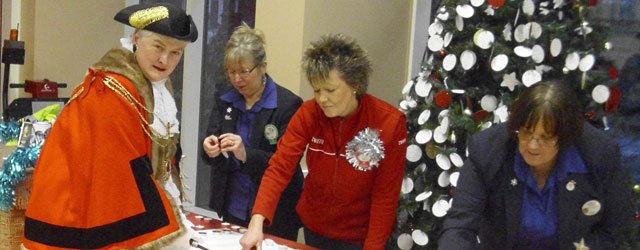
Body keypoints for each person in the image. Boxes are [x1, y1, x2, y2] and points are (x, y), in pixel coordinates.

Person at [23, 3, 198, 249]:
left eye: (176, 52)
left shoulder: (155, 86)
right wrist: (171, 231)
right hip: (79, 213)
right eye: (158, 47)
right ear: (136, 39)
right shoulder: (111, 91)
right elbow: (120, 173)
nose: (164, 60)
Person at [240, 34, 408, 250]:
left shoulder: (389, 122)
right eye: (317, 90)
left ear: (355, 84)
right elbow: (280, 168)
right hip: (315, 228)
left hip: (360, 236)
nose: (322, 99)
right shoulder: (309, 113)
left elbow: (385, 196)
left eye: (330, 90)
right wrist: (257, 221)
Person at [438, 80, 635, 249]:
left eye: (545, 137)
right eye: (525, 133)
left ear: (565, 137)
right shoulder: (487, 151)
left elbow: (617, 228)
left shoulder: (600, 155)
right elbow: (459, 226)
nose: (532, 145)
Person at [201, 23, 303, 241]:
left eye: (244, 72)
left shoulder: (288, 105)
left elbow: (285, 164)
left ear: (263, 66)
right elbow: (210, 142)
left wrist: (245, 153)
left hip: (275, 214)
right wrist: (209, 147)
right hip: (232, 206)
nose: (237, 79)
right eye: (231, 72)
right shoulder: (225, 97)